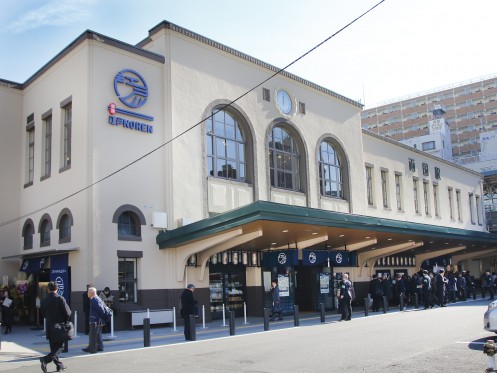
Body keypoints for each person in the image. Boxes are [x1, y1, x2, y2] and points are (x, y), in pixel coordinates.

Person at [40, 281, 72, 373]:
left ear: (48, 289)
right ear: (57, 288)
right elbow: (68, 313)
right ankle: (45, 360)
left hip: (49, 326)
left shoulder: (44, 300)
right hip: (59, 327)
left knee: (53, 347)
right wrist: (66, 320)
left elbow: (43, 314)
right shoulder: (60, 299)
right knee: (60, 347)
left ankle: (59, 365)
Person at [82, 287, 106, 352]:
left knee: (92, 334)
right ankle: (100, 346)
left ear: (91, 293)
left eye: (88, 292)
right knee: (98, 334)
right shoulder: (97, 298)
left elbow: (101, 310)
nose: (87, 293)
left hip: (96, 321)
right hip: (99, 320)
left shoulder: (94, 300)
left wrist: (98, 318)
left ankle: (91, 347)